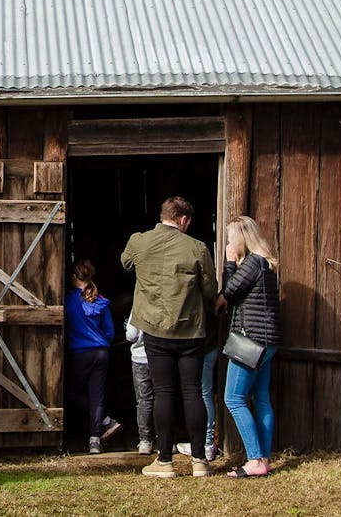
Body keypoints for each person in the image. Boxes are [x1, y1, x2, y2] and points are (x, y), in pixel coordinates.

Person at [120, 195, 217, 479]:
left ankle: (164, 462)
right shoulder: (197, 247)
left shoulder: (139, 241)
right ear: (184, 220)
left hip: (154, 329)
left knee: (163, 392)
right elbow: (210, 290)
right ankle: (200, 460)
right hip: (191, 332)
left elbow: (126, 263)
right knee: (193, 391)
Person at [219, 216, 281, 478]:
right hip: (268, 341)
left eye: (232, 238)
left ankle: (254, 460)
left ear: (241, 238)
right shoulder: (265, 263)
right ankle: (264, 458)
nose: (230, 243)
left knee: (233, 398)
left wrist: (229, 263)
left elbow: (231, 291)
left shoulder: (252, 262)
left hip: (250, 341)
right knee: (262, 399)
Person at [64, 258, 122, 453]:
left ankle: (105, 420)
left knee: (72, 392)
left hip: (80, 354)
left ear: (74, 277)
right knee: (97, 395)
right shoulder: (101, 302)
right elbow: (110, 333)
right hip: (101, 353)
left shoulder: (70, 301)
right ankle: (95, 441)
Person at [123, 314, 154, 455]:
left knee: (143, 400)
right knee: (163, 396)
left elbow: (131, 335)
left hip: (140, 358)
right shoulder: (163, 302)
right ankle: (165, 439)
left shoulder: (139, 307)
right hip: (162, 357)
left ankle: (145, 441)